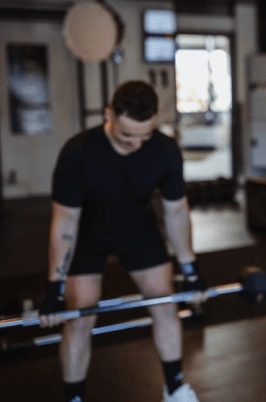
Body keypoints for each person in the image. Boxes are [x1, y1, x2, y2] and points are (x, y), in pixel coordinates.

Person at [39, 81, 206, 402]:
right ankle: (74, 398)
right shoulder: (77, 153)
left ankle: (175, 388)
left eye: (144, 135)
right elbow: (65, 222)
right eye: (127, 134)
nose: (136, 143)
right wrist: (54, 288)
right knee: (79, 319)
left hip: (138, 229)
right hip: (89, 233)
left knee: (165, 307)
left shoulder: (165, 150)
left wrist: (192, 269)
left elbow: (176, 213)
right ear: (109, 115)